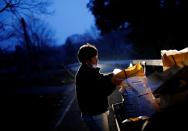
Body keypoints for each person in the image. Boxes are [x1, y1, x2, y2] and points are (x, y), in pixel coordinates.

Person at [75, 43, 123, 131]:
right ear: (87, 60)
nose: (97, 59)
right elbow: (102, 92)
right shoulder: (87, 74)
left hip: (94, 113)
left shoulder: (87, 70)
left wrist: (112, 75)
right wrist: (114, 82)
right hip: (95, 114)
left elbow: (100, 79)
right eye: (95, 57)